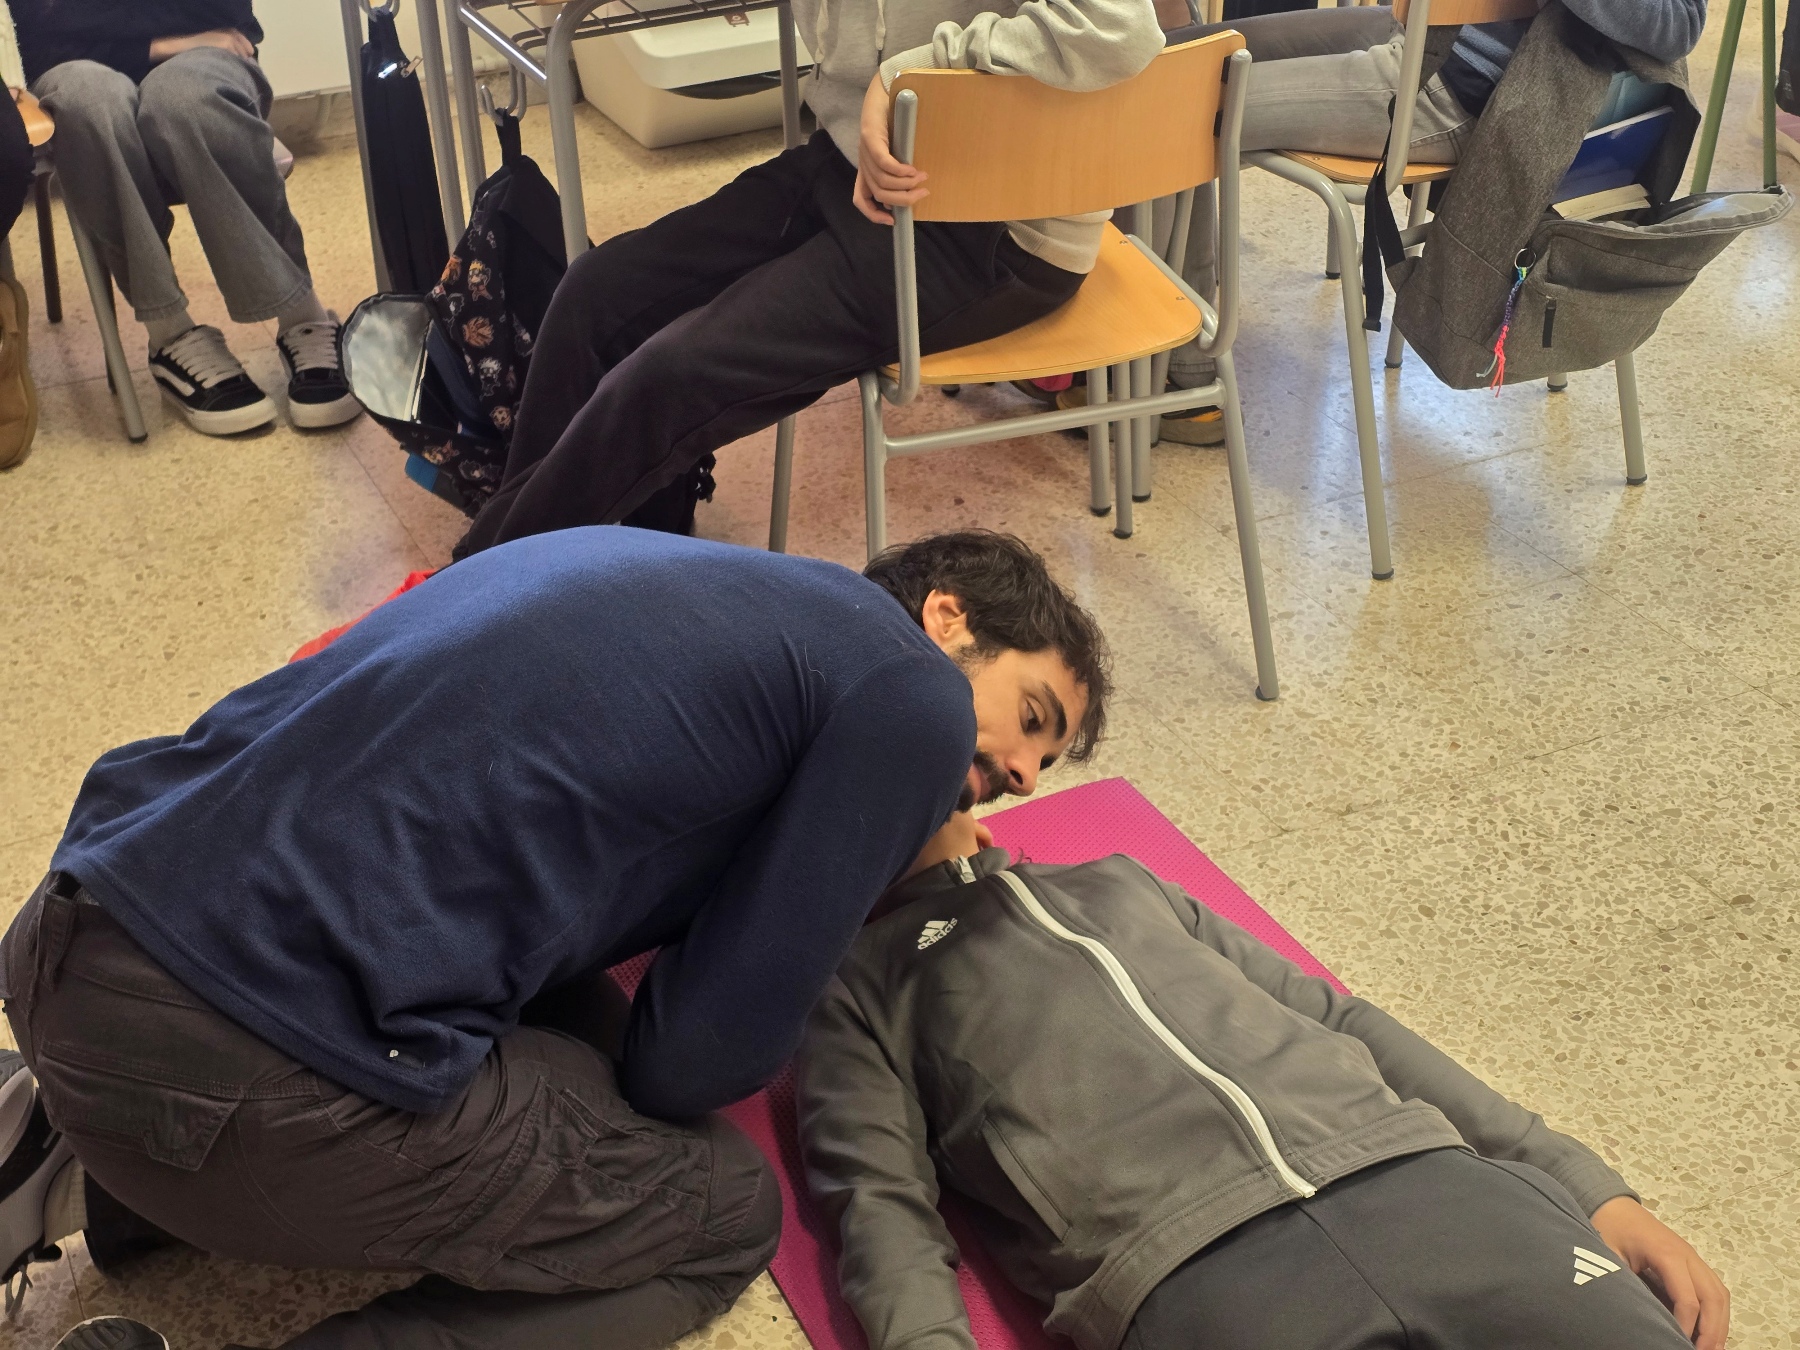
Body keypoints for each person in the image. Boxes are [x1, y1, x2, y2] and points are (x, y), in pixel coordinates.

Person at [0, 528, 1109, 1350]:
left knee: (568, 1033)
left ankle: (67, 1161)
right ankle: (138, 1158)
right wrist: (857, 873)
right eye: (1032, 721)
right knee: (723, 1212)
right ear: (946, 619)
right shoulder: (912, 696)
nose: (1018, 776)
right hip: (219, 1061)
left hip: (78, 922)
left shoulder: (705, 585)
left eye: (1040, 770)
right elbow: (692, 1066)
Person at [797, 812, 1732, 1350]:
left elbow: (1342, 1019)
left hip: (1439, 1190)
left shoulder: (1119, 881)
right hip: (1198, 1278)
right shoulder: (856, 988)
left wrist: (1581, 1181)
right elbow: (881, 1209)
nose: (1021, 775)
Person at [450, 0, 1166, 557]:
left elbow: (1119, 28)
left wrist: (915, 72)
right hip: (853, 165)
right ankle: (600, 570)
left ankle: (470, 606)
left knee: (671, 373)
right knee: (594, 295)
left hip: (995, 226)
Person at [1129, 0, 1708, 447]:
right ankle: (1153, 338)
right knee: (1182, 53)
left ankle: (1173, 372)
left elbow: (1678, 25)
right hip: (1425, 37)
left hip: (1461, 93)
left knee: (1164, 103)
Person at [14, 1, 359, 436]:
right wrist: (160, 41)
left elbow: (215, 9)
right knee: (89, 102)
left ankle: (303, 315)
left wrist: (92, 22)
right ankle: (170, 336)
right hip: (75, 67)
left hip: (203, 50)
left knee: (186, 99)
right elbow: (37, 34)